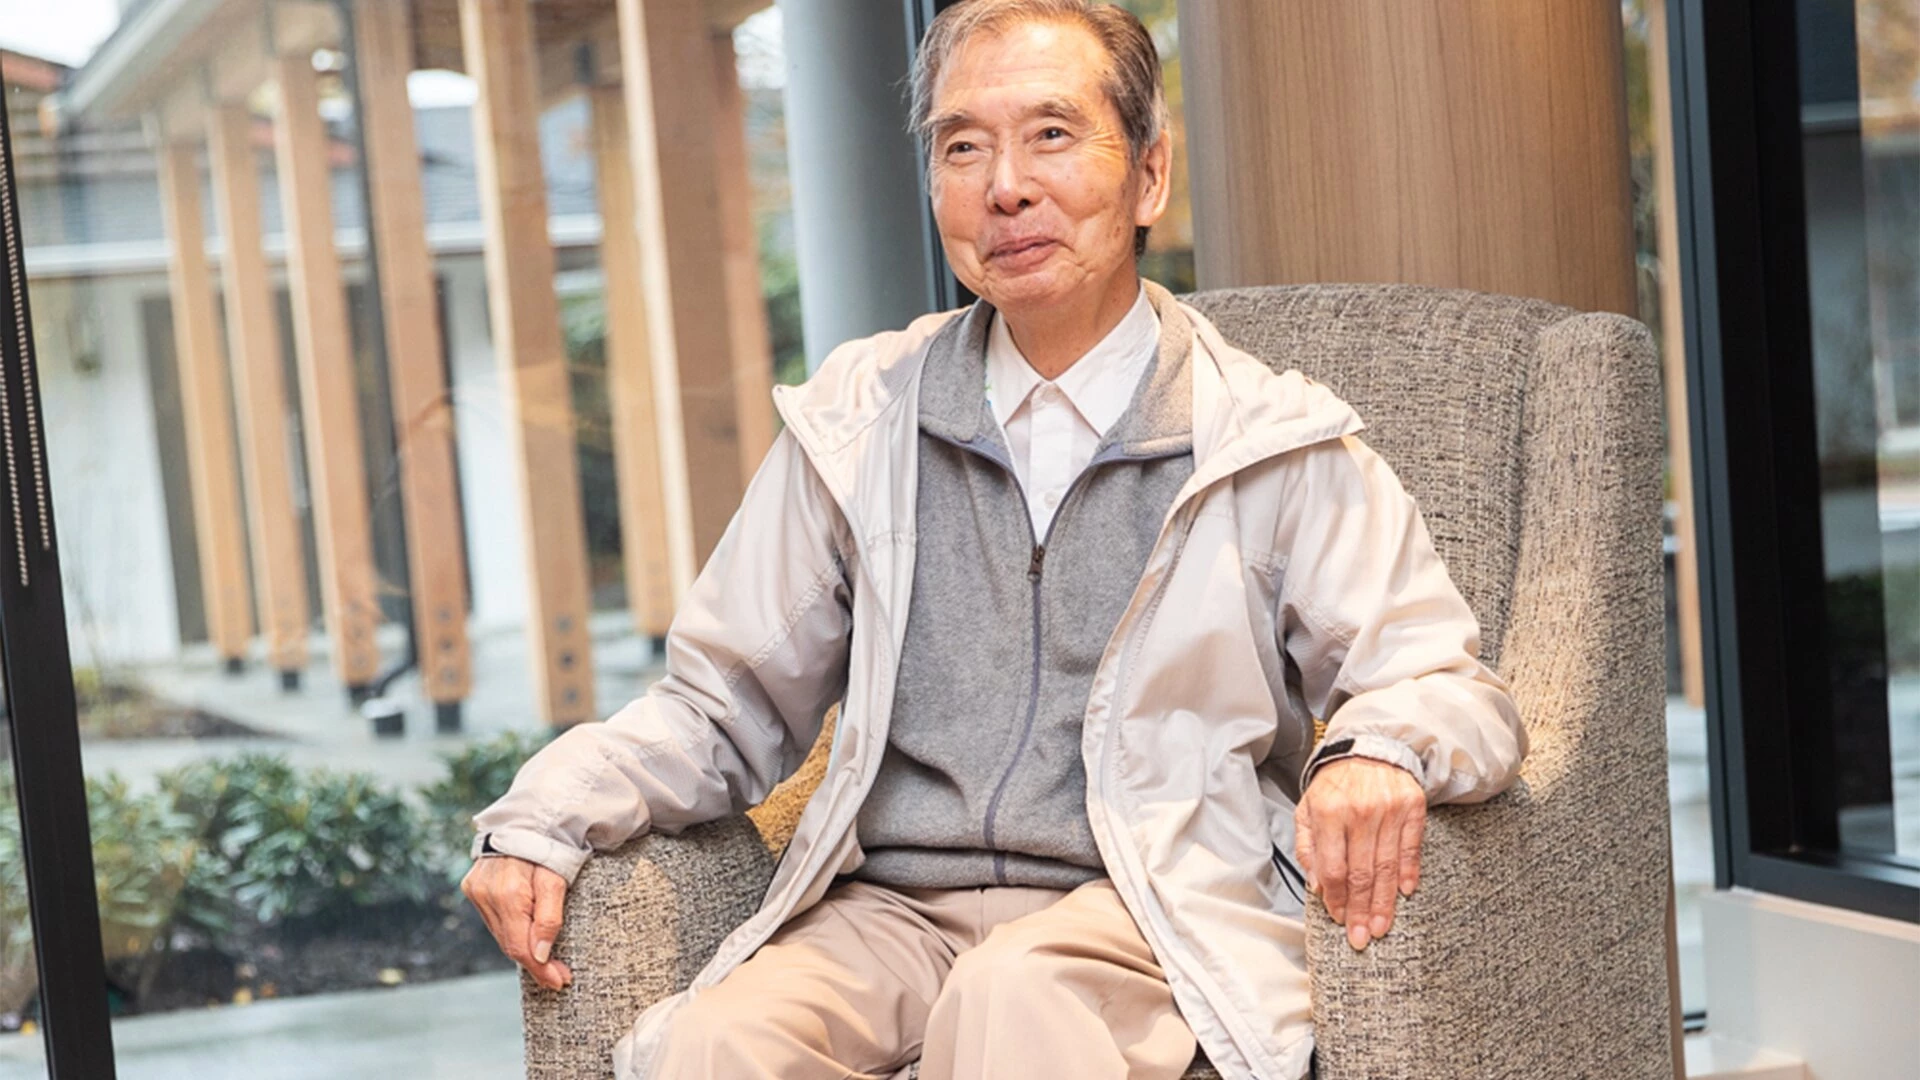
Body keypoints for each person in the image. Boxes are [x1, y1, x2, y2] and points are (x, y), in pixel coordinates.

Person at [461, 2, 1526, 1077]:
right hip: (890, 915)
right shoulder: (861, 423)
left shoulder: (1265, 438)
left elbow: (1443, 682)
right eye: (963, 146)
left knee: (1011, 999)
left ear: (1150, 174)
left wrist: (1374, 750)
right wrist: (548, 812)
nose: (1004, 186)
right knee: (709, 1044)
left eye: (1052, 135)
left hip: (1145, 907)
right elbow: (719, 705)